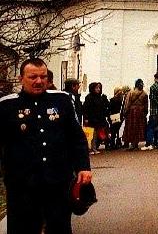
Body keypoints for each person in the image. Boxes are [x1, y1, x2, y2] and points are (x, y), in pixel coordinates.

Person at [0, 58, 92, 233]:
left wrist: (83, 167)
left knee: (59, 227)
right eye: (33, 77)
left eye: (43, 77)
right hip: (21, 183)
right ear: (21, 79)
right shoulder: (7, 105)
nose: (39, 81)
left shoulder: (61, 101)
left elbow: (76, 138)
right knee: (23, 228)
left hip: (57, 180)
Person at [82, 81, 110, 154]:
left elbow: (104, 107)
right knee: (91, 134)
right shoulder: (89, 97)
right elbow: (86, 108)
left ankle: (94, 148)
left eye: (99, 88)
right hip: (91, 118)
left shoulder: (100, 97)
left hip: (98, 118)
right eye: (96, 88)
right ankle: (90, 149)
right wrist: (86, 118)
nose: (98, 89)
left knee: (96, 134)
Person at [122, 78, 148, 149]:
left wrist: (125, 112)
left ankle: (127, 142)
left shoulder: (131, 93)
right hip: (140, 112)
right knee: (138, 128)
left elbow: (127, 104)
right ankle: (135, 143)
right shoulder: (144, 94)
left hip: (131, 112)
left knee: (129, 127)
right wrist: (145, 113)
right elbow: (146, 105)